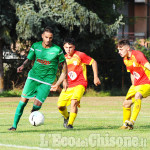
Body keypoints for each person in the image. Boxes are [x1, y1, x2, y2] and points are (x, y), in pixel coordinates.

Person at [8, 26, 67, 131]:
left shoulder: (57, 50)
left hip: (46, 82)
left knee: (37, 105)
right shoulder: (35, 46)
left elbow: (64, 69)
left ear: (52, 38)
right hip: (33, 78)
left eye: (50, 38)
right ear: (42, 36)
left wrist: (60, 82)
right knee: (22, 102)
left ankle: (33, 116)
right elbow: (28, 59)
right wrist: (22, 66)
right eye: (46, 37)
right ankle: (14, 126)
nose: (48, 40)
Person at [51, 38, 101, 129]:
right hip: (69, 86)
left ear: (74, 47)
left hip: (80, 84)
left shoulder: (80, 55)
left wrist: (95, 77)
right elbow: (64, 73)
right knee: (60, 106)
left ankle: (70, 124)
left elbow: (93, 62)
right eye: (66, 47)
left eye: (70, 47)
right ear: (63, 48)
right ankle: (67, 116)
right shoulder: (63, 58)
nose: (68, 49)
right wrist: (61, 82)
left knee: (74, 102)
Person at [117, 39, 150, 130]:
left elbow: (148, 66)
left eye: (121, 49)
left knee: (138, 95)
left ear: (127, 48)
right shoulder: (125, 60)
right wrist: (133, 85)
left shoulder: (138, 55)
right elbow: (132, 73)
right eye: (118, 50)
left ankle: (132, 121)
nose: (119, 52)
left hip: (147, 82)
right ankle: (125, 125)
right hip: (136, 84)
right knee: (126, 104)